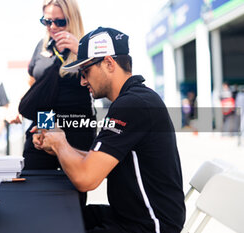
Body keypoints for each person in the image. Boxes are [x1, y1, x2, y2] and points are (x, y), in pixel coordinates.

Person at [34, 27, 185, 233]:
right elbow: (97, 162)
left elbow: (86, 179)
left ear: (108, 63)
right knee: (57, 216)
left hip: (149, 226)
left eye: (85, 71)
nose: (82, 81)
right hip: (130, 216)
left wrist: (60, 143)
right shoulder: (134, 99)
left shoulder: (132, 105)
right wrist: (59, 147)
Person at [18, 0, 96, 170]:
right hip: (44, 123)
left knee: (72, 191)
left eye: (60, 22)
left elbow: (102, 81)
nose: (52, 26)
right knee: (35, 182)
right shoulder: (43, 45)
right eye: (47, 21)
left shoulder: (87, 45)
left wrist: (80, 51)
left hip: (75, 124)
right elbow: (33, 83)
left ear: (72, 19)